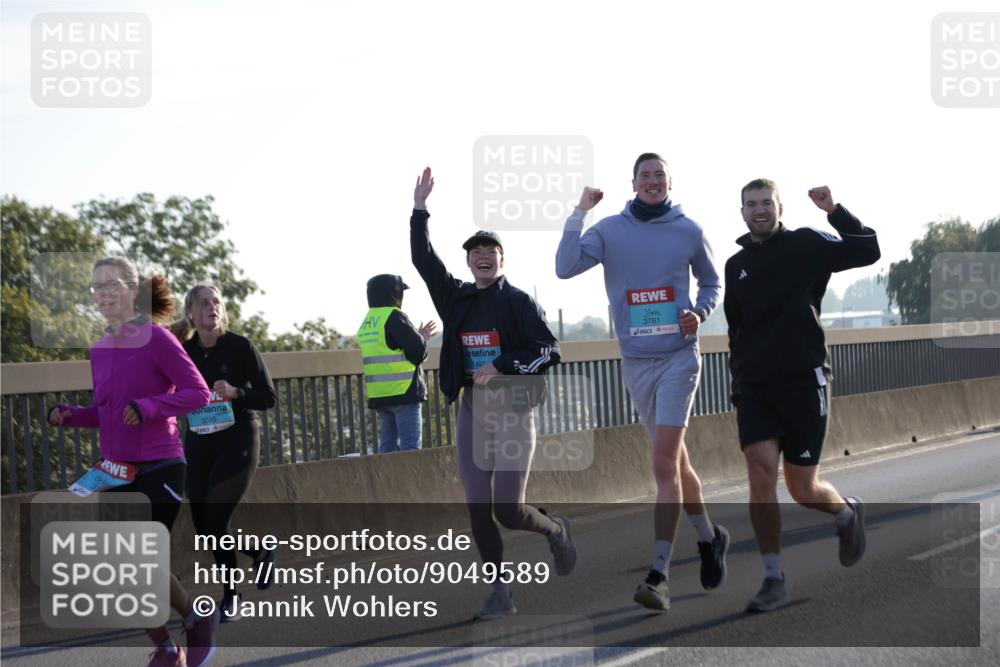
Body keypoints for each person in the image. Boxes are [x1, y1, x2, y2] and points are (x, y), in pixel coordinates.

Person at [556, 153, 730, 612]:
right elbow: (564, 266)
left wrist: (701, 313)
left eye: (659, 175)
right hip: (635, 362)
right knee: (678, 465)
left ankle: (659, 575)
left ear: (671, 180)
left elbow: (713, 283)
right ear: (632, 183)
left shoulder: (689, 230)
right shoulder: (610, 230)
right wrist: (580, 211)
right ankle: (710, 540)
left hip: (677, 358)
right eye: (645, 176)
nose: (652, 182)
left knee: (662, 467)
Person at [410, 167, 576, 620]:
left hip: (514, 410)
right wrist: (420, 209)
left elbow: (548, 349)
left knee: (509, 509)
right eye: (476, 252)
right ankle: (501, 591)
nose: (483, 257)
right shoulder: (456, 298)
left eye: (491, 251)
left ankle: (554, 530)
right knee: (478, 509)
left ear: (503, 260)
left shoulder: (518, 302)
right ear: (468, 262)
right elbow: (424, 261)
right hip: (472, 411)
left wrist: (500, 365)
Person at [48, 256, 216, 667]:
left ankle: (196, 621)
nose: (103, 293)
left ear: (130, 289)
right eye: (96, 287)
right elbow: (107, 411)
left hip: (160, 463)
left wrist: (150, 406)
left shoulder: (157, 339)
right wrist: (72, 415)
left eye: (111, 285)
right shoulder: (100, 349)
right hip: (116, 468)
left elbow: (198, 394)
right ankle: (164, 645)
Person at [724, 180, 879, 612]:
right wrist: (738, 391)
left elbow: (868, 249)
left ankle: (846, 513)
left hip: (803, 382)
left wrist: (835, 210)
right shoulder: (735, 265)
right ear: (741, 212)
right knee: (759, 472)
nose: (759, 211)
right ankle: (773, 577)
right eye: (751, 205)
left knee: (802, 488)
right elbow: (738, 332)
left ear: (779, 207)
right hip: (755, 387)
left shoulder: (808, 244)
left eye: (765, 203)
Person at [173, 283, 278, 623]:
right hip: (200, 442)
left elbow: (268, 397)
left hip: (238, 440)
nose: (211, 307)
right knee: (204, 526)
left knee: (216, 517)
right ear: (191, 312)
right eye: (203, 303)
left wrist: (237, 392)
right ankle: (260, 551)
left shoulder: (240, 347)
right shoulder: (182, 352)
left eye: (215, 301)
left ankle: (232, 596)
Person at [358, 274, 436, 452]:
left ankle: (388, 481)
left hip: (380, 395)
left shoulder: (368, 321)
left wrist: (416, 335)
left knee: (387, 449)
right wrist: (422, 339)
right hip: (404, 391)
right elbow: (418, 353)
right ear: (395, 293)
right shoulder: (394, 316)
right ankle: (409, 481)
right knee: (410, 450)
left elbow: (389, 346)